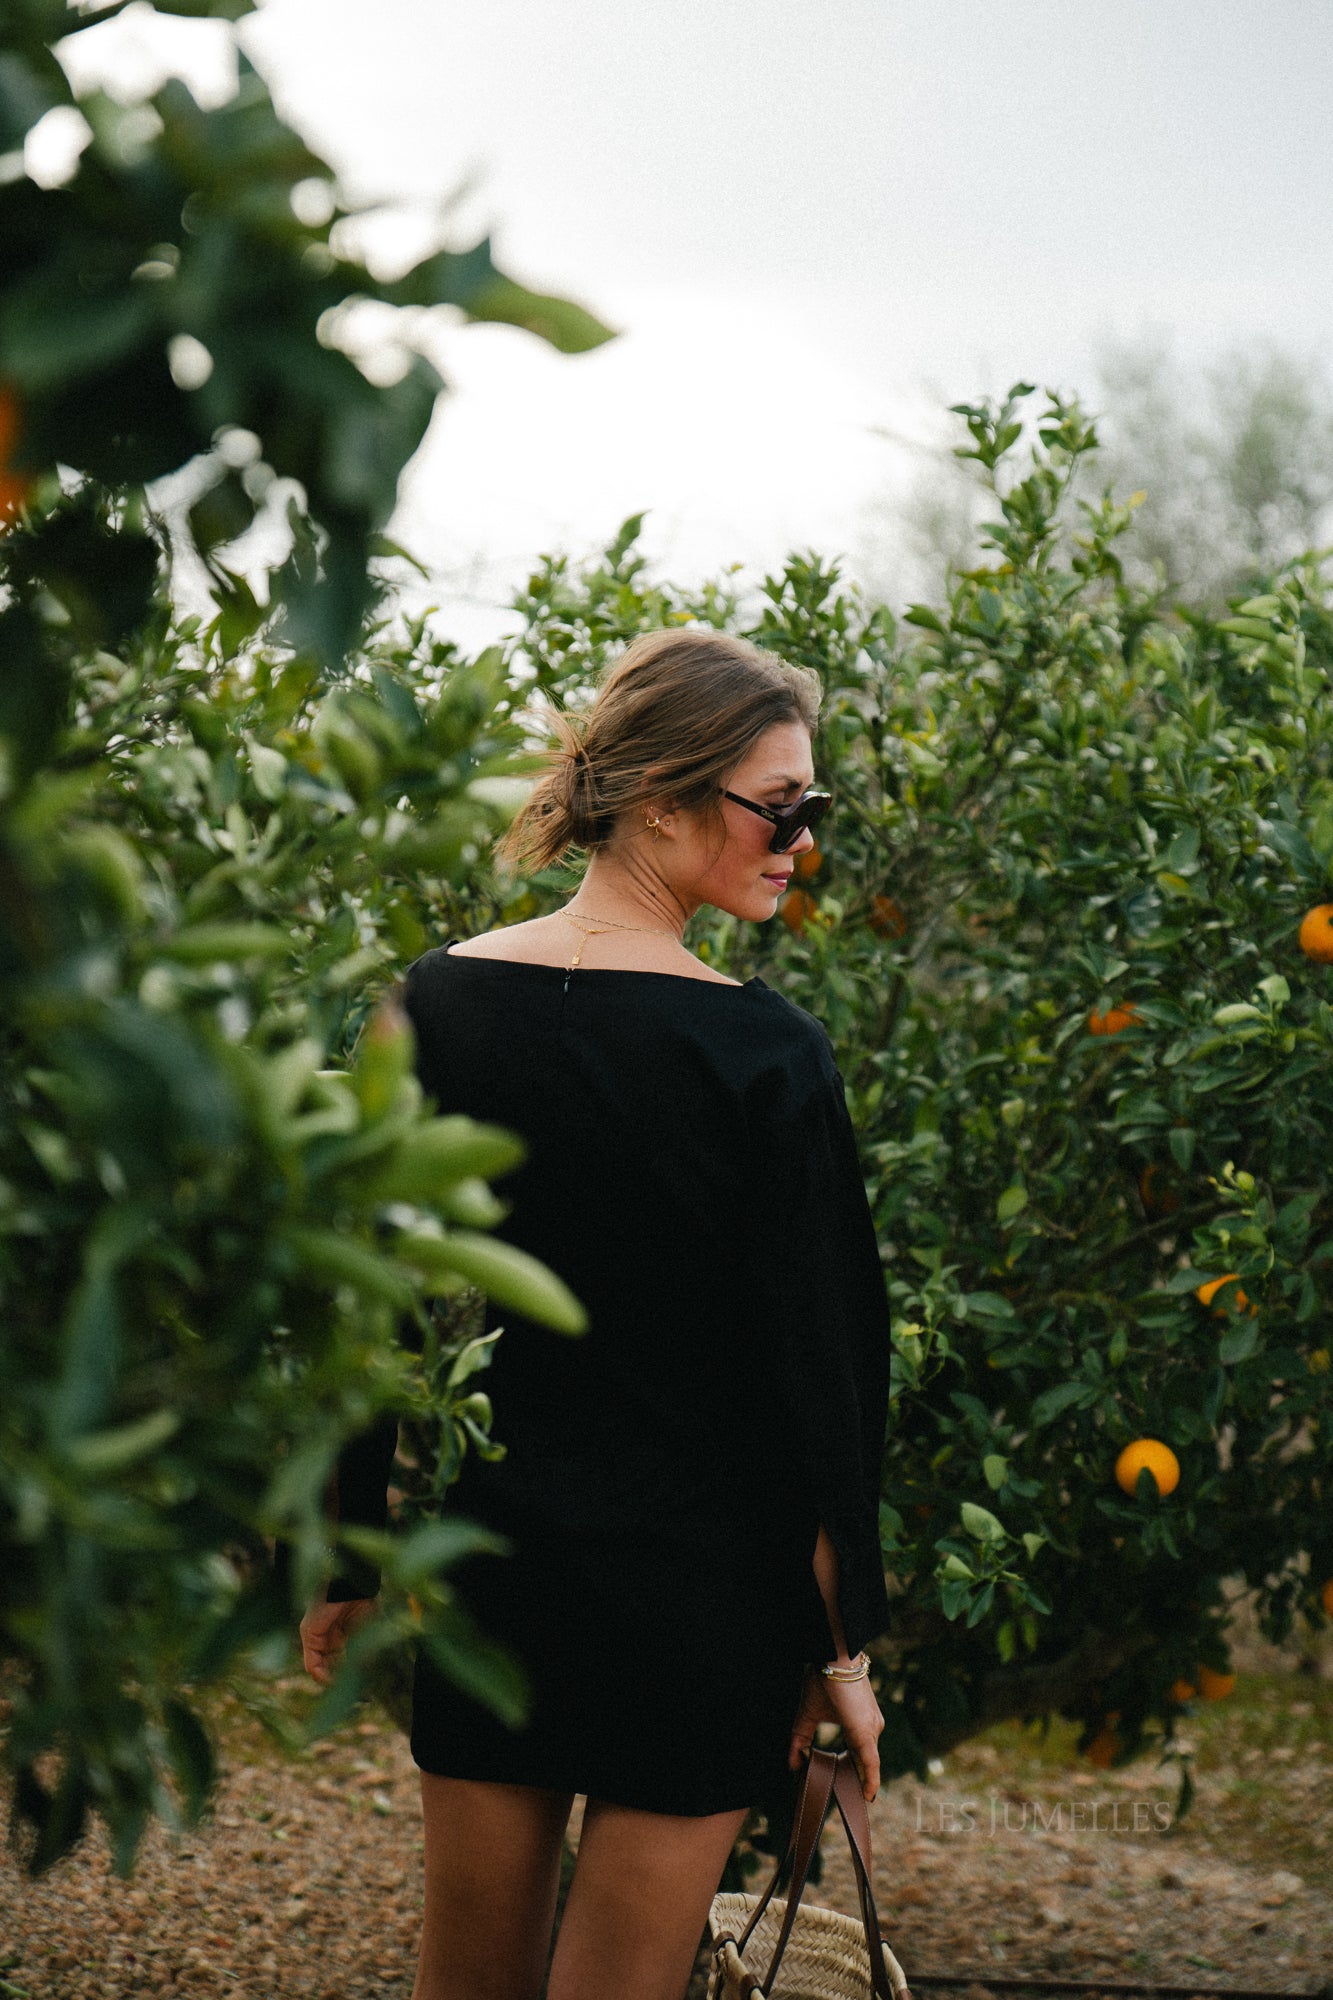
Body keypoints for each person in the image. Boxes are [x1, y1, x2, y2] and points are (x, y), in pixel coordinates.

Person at [299, 628, 893, 2000]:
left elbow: (349, 1300)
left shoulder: (428, 1005)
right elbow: (823, 1383)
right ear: (664, 799)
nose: (802, 841)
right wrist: (841, 1650)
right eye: (781, 806)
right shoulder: (767, 1056)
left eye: (811, 807)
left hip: (496, 1577)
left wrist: (344, 1555)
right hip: (701, 1609)